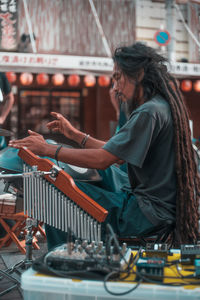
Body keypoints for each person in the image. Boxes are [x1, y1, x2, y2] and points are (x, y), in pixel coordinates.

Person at [9, 42, 200, 250]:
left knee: (56, 194)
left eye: (118, 78)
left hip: (143, 215)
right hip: (154, 212)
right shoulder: (160, 106)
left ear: (139, 74)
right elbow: (116, 154)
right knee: (72, 189)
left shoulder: (148, 112)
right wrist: (75, 135)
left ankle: (62, 263)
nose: (115, 88)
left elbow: (104, 159)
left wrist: (47, 149)